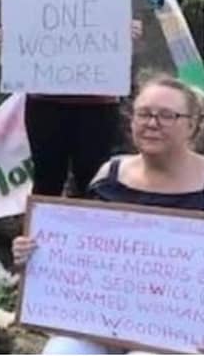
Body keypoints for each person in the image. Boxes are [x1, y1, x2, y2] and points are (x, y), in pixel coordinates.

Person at [12, 72, 204, 354]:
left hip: (180, 328)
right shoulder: (109, 174)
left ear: (192, 126)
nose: (152, 123)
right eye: (144, 114)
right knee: (63, 350)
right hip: (103, 318)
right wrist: (32, 253)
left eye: (167, 115)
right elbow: (81, 254)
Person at [0, 0, 143, 197]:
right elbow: (25, 45)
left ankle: (92, 238)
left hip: (97, 106)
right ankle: (40, 237)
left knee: (94, 180)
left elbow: (116, 57)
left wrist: (126, 36)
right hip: (45, 105)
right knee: (47, 178)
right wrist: (7, 39)